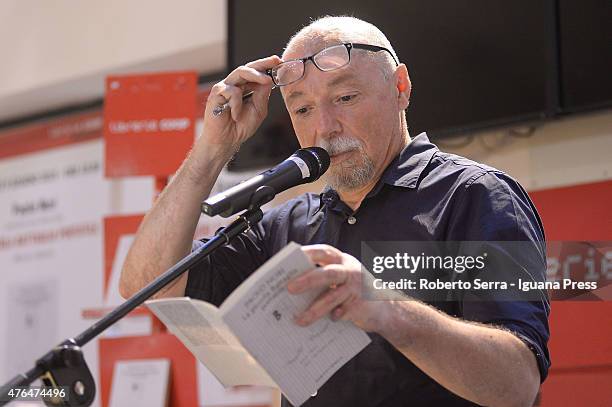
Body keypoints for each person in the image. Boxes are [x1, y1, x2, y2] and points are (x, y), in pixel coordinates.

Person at [119, 16, 550, 407]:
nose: (323, 127)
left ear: (401, 88)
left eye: (344, 96)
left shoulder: (475, 196)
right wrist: (212, 152)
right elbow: (145, 282)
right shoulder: (285, 225)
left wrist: (387, 309)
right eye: (303, 109)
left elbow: (517, 383)